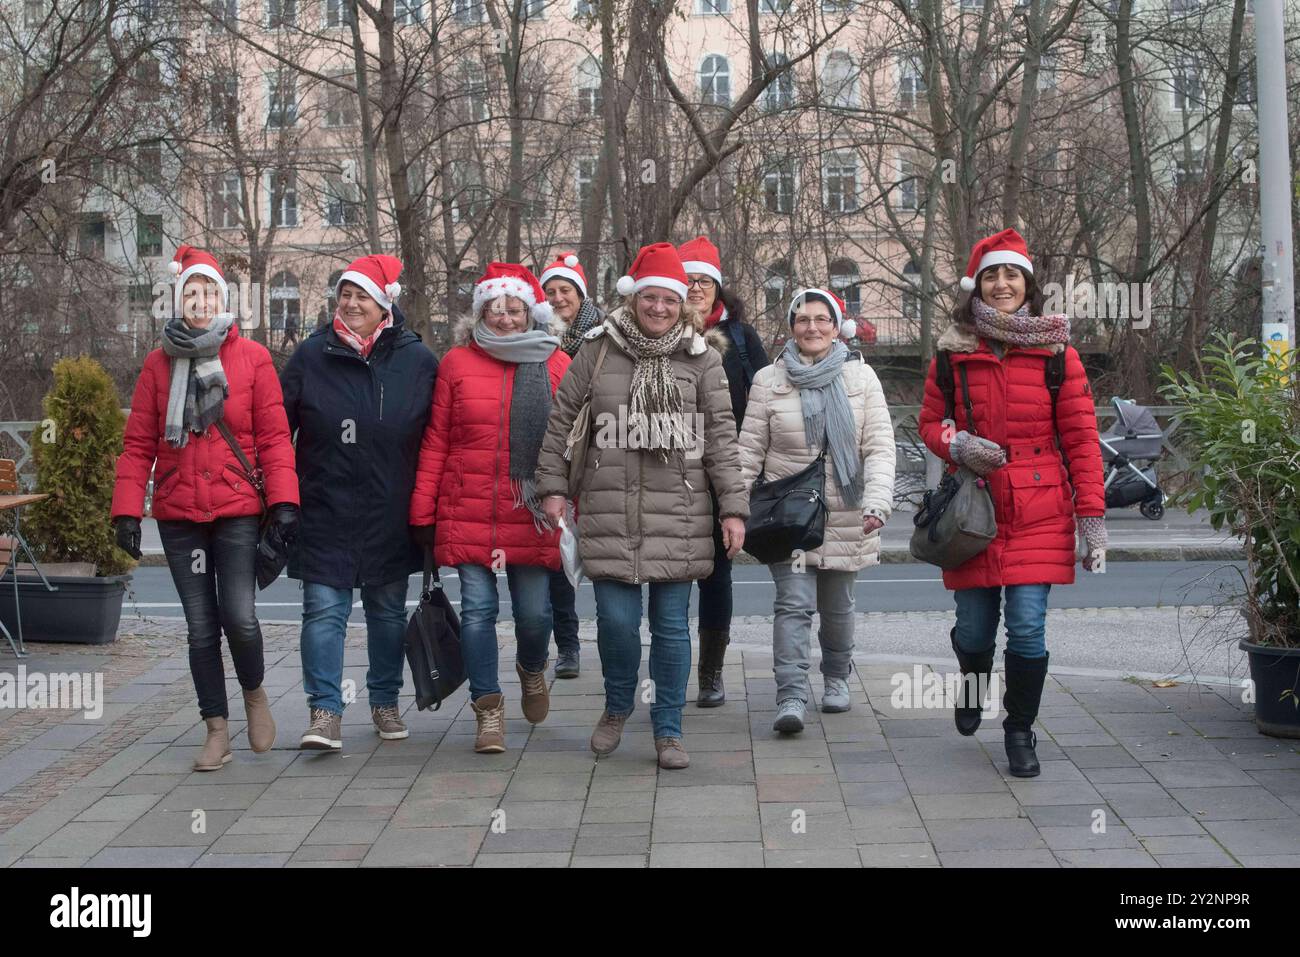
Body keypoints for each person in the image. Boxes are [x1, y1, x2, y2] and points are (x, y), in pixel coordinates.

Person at [536, 242, 748, 770]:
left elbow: (721, 438)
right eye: (649, 298)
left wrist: (733, 508)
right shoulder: (598, 349)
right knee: (614, 623)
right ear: (633, 300)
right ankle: (616, 706)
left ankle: (669, 729)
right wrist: (554, 487)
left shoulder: (703, 359)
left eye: (669, 301)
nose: (658, 308)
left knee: (672, 628)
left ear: (685, 306)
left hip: (681, 512)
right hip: (609, 508)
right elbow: (562, 421)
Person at [918, 228, 1106, 777]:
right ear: (977, 285)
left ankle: (1020, 731)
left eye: (1012, 275)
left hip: (1040, 510)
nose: (1003, 284)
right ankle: (973, 684)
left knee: (1027, 628)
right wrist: (959, 444)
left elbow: (1081, 441)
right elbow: (930, 422)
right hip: (971, 514)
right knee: (975, 631)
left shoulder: (1057, 355)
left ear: (1028, 284)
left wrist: (1092, 521)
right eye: (992, 275)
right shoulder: (953, 353)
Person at [112, 244, 299, 771]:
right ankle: (216, 729)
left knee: (239, 617)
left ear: (223, 298)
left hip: (237, 507)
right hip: (178, 514)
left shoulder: (254, 358)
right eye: (190, 292)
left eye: (208, 291)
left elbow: (276, 438)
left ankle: (255, 693)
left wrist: (284, 502)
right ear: (176, 300)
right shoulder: (157, 364)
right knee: (200, 627)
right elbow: (137, 445)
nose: (199, 300)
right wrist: (126, 510)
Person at [280, 254, 439, 752]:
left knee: (387, 612)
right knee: (323, 612)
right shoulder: (311, 356)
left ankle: (385, 701)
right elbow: (275, 430)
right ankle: (324, 711)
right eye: (344, 295)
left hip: (388, 511)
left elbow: (440, 438)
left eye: (361, 296)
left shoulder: (418, 361)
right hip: (323, 508)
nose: (349, 304)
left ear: (384, 304)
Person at [410, 263, 571, 753]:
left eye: (514, 309)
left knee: (534, 616)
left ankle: (531, 668)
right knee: (478, 611)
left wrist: (570, 499)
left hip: (532, 510)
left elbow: (570, 444)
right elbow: (437, 439)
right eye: (494, 309)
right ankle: (488, 709)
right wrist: (422, 509)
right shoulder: (457, 364)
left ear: (530, 312)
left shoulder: (555, 363)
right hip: (468, 508)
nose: (504, 319)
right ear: (481, 310)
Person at [738, 288, 895, 733]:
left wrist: (879, 500)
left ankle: (836, 679)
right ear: (791, 327)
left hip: (848, 510)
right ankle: (790, 694)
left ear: (836, 325)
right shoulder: (769, 380)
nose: (812, 327)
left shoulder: (861, 379)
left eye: (822, 319)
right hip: (789, 514)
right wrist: (735, 507)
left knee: (839, 606)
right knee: (793, 604)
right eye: (803, 320)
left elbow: (880, 447)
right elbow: (749, 451)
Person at [677, 235, 770, 707]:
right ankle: (667, 669)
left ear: (717, 289)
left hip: (722, 471)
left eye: (704, 282)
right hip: (669, 473)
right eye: (688, 280)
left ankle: (711, 672)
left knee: (716, 574)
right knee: (668, 575)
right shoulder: (658, 331)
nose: (695, 289)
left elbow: (766, 396)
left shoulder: (740, 337)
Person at [539, 251, 605, 679]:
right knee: (556, 554)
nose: (559, 298)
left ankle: (615, 638)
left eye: (566, 290)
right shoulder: (536, 337)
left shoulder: (602, 337)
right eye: (551, 291)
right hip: (550, 456)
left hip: (596, 457)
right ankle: (567, 645)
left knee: (601, 552)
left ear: (581, 294)